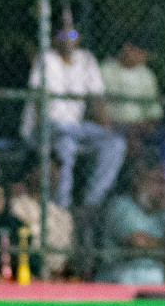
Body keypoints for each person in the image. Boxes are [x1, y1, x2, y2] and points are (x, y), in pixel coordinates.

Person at [21, 26, 127, 212]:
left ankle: (92, 204)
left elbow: (97, 101)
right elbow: (39, 107)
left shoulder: (86, 59)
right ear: (54, 38)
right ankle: (63, 207)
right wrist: (45, 135)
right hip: (44, 130)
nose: (68, 39)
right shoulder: (45, 59)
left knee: (115, 143)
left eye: (73, 34)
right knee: (65, 142)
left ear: (79, 37)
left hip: (75, 129)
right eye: (63, 34)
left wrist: (106, 128)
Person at [101, 161, 165, 284]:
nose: (162, 189)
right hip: (119, 274)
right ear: (138, 180)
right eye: (156, 181)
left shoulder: (162, 214)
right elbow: (137, 243)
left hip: (154, 273)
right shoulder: (121, 205)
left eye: (164, 183)